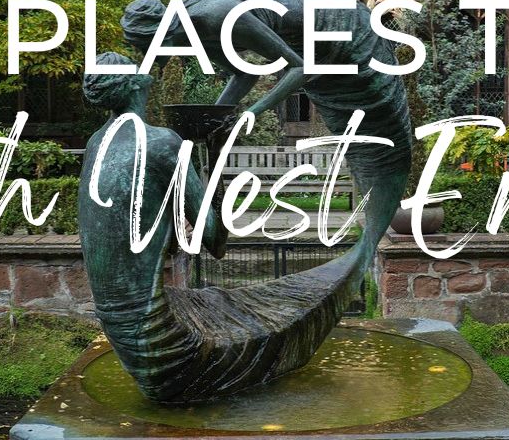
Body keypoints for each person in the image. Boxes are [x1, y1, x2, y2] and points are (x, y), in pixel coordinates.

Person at [77, 51, 362, 403]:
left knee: (220, 302)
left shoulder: (96, 143)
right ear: (138, 85)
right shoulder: (161, 143)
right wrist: (215, 155)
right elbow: (215, 239)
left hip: (125, 339)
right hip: (164, 347)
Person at [121, 0, 412, 268]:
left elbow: (299, 68)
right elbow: (243, 72)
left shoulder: (218, 15)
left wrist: (252, 112)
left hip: (345, 29)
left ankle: (364, 252)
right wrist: (217, 115)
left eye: (149, 48)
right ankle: (359, 259)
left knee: (379, 140)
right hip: (316, 50)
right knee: (360, 147)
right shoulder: (197, 32)